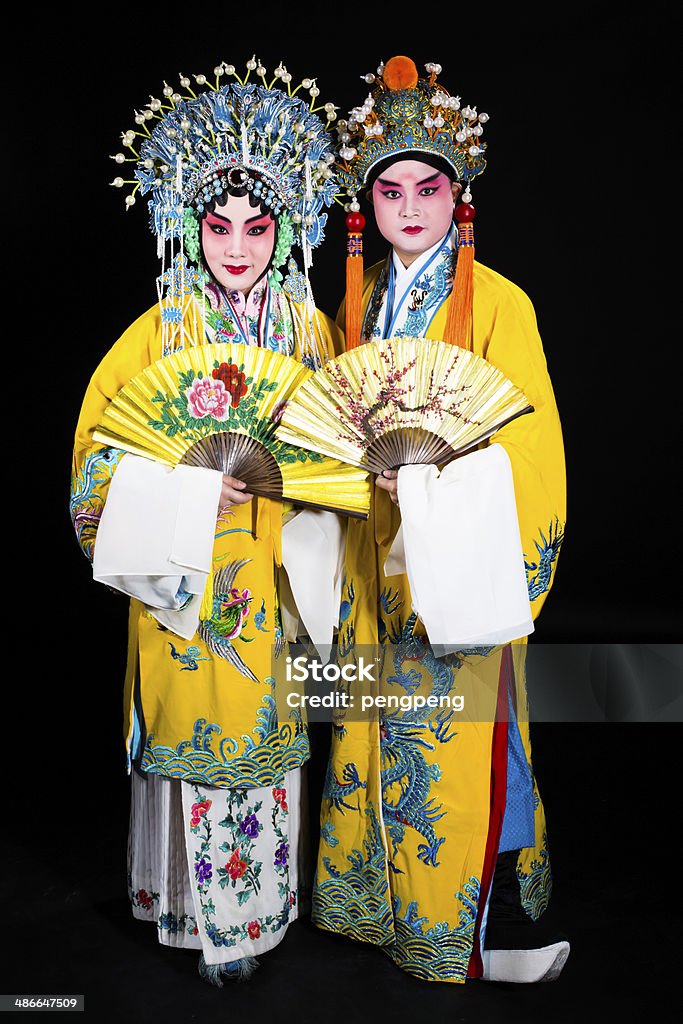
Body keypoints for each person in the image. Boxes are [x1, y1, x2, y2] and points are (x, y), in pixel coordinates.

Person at [70, 58, 344, 985]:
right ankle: (194, 921)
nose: (235, 246)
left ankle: (258, 920)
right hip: (183, 579)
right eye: (217, 225)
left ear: (284, 231)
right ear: (189, 227)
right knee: (194, 732)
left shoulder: (311, 336)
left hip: (273, 573)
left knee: (267, 737)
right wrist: (189, 490)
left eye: (257, 226)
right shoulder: (159, 333)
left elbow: (338, 457)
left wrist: (294, 485)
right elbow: (96, 463)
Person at [311, 56, 569, 984]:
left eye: (429, 187)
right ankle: (380, 913)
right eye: (389, 190)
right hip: (370, 566)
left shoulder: (498, 304)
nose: (409, 209)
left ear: (456, 196)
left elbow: (531, 453)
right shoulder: (352, 306)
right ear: (366, 203)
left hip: (457, 567)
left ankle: (472, 935)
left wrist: (432, 484)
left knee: (465, 744)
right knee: (374, 731)